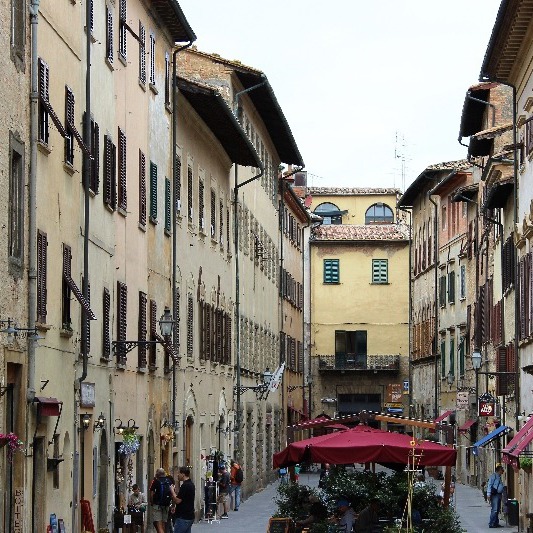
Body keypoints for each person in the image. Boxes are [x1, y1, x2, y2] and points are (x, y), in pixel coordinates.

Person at [169, 466, 195, 533]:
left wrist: (172, 491)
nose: (178, 475)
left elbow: (178, 500)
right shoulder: (191, 484)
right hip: (189, 516)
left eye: (179, 473)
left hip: (183, 517)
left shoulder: (185, 486)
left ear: (183, 474)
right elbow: (184, 499)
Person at [149, 468, 172, 533]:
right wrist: (172, 505)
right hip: (166, 505)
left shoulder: (155, 481)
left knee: (159, 526)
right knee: (163, 524)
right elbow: (172, 492)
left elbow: (151, 493)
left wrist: (152, 502)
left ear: (157, 474)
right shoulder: (169, 481)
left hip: (157, 505)